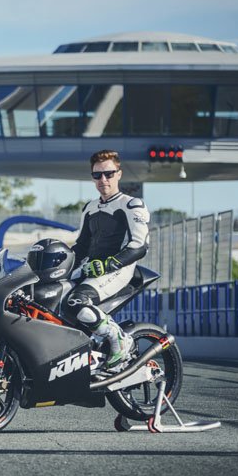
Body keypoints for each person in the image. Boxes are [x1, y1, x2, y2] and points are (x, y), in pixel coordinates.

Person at [64, 149, 151, 371]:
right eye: (97, 175)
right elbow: (81, 246)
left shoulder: (131, 205)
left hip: (118, 270)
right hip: (89, 269)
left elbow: (139, 246)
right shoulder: (90, 208)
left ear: (119, 174)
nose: (103, 180)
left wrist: (108, 264)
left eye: (109, 174)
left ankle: (119, 339)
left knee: (77, 302)